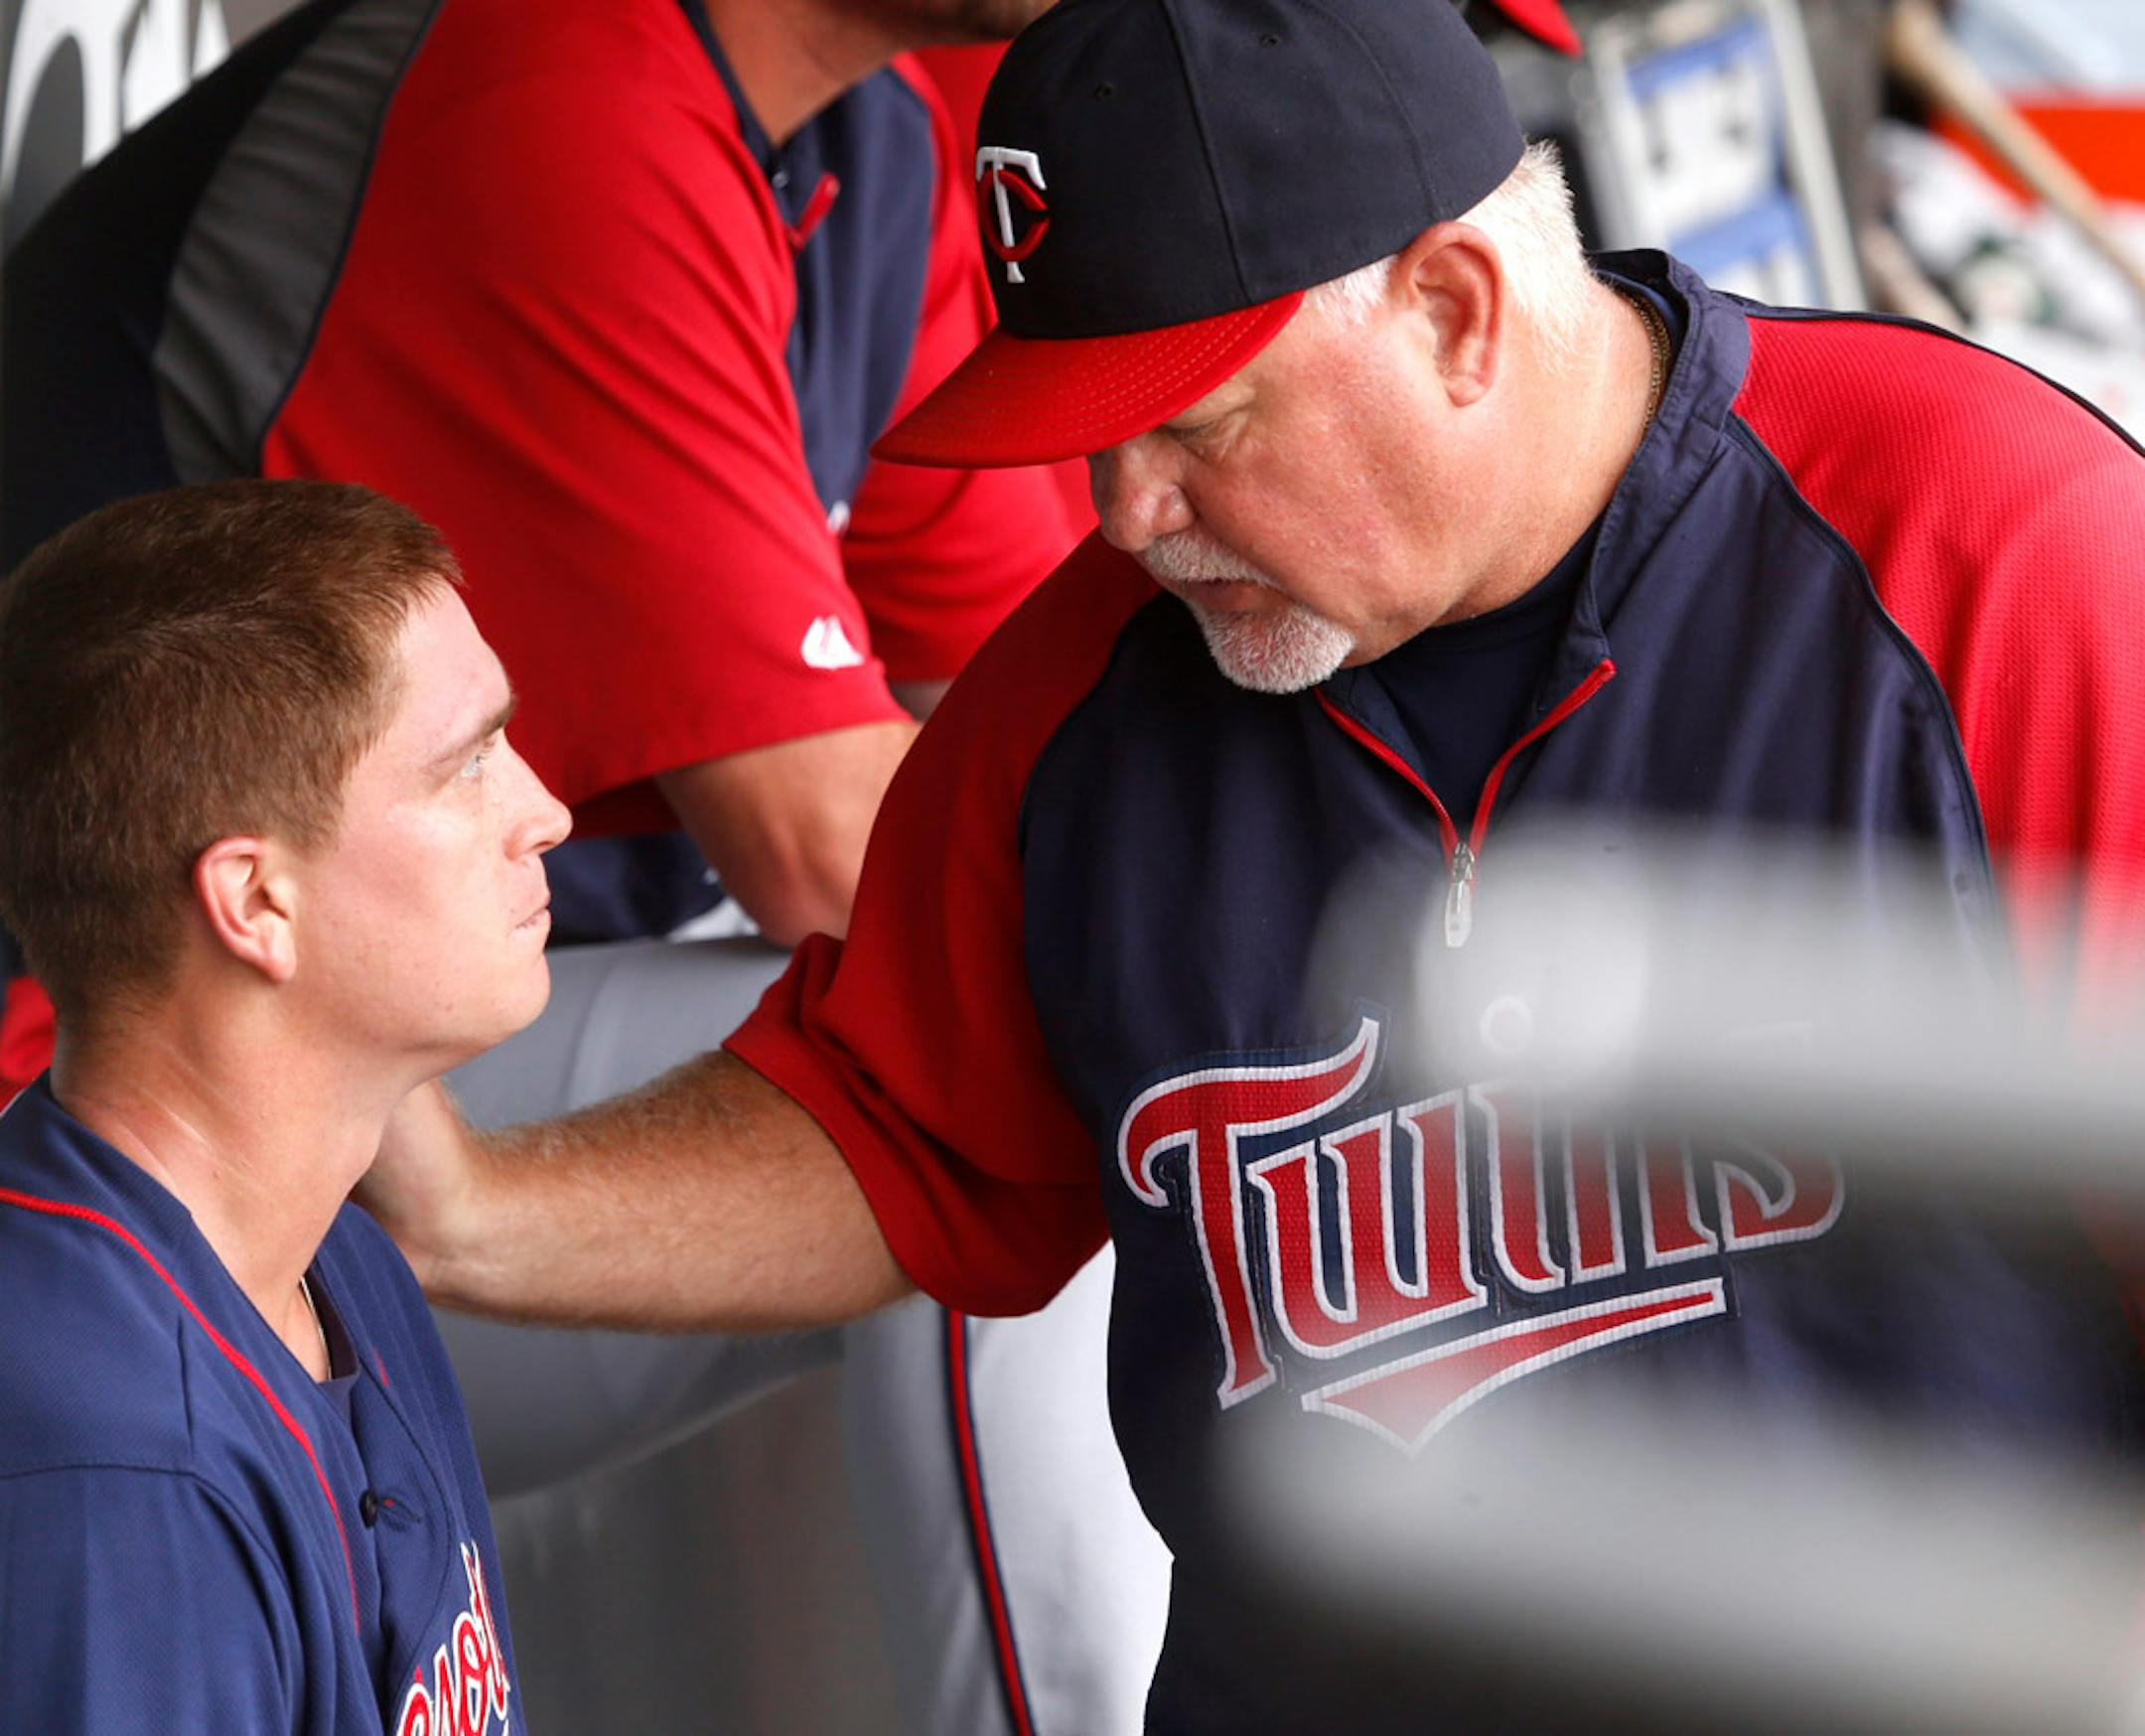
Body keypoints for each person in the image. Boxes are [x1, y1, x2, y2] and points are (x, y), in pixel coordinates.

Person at [361, 0, 2145, 1724]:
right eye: (1094, 434)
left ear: (1453, 310)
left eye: (1196, 422)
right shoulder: (1080, 700)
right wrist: (477, 1206)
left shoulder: (1980, 558)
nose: (1126, 509)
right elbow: (897, 1125)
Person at [0, 2, 1172, 1730]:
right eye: (491, 759)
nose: (548, 799)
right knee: (1038, 1082)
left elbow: (1052, 747)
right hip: (114, 1095)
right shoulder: (563, 89)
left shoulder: (887, 135)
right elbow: (857, 862)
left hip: (352, 1135)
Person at [0, 480, 568, 1735]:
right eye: (468, 765)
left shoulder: (334, 1254)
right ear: (256, 903)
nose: (545, 813)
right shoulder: (109, 1460)